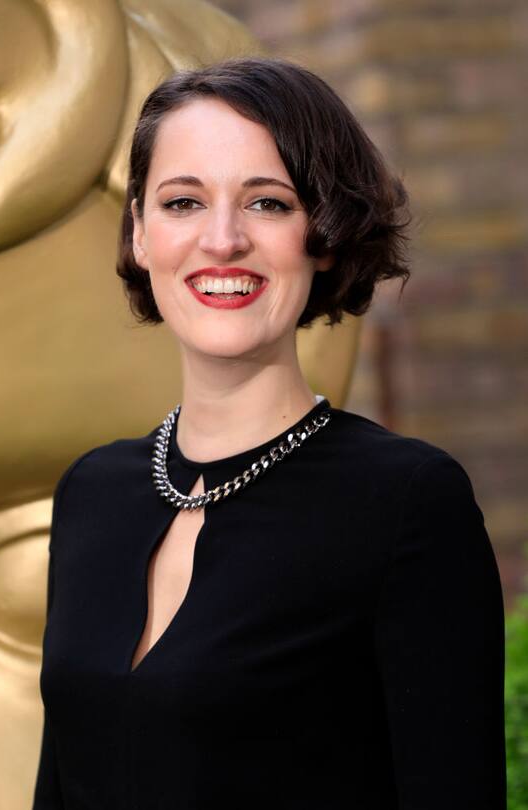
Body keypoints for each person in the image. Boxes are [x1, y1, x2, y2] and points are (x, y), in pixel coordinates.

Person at [32, 57, 506, 809]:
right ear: (141, 233)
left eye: (268, 204)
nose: (222, 241)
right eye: (183, 202)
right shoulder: (92, 492)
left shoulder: (405, 503)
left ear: (324, 233)